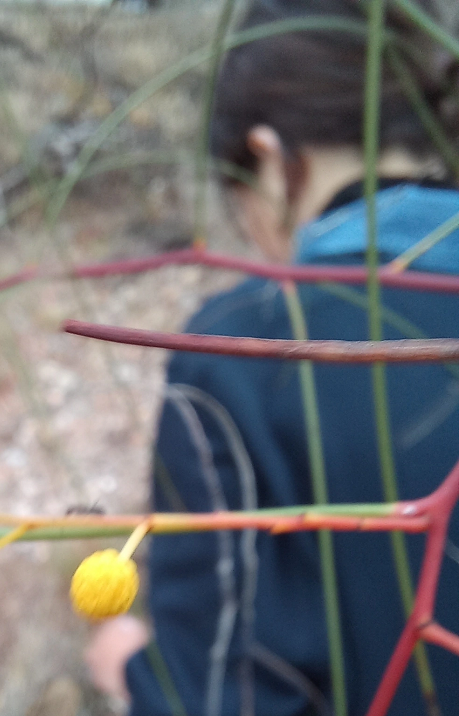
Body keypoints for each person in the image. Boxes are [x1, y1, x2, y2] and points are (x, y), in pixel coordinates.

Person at [84, 1, 459, 715]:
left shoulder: (235, 352)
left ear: (266, 154)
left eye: (240, 205)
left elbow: (219, 694)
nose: (259, 243)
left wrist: (135, 673)